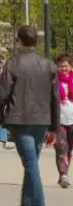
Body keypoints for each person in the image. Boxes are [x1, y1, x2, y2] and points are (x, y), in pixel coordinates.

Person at [0, 25, 59, 206]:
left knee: (31, 165)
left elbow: (2, 94)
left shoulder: (13, 63)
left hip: (19, 118)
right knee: (31, 163)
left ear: (20, 41)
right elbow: (55, 97)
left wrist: (0, 116)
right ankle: (27, 202)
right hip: (41, 118)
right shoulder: (48, 65)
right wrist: (54, 126)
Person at [54, 54, 73, 189]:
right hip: (58, 120)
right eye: (61, 66)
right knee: (61, 148)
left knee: (69, 148)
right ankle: (63, 175)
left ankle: (65, 172)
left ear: (70, 67)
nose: (63, 68)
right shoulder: (53, 81)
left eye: (66, 66)